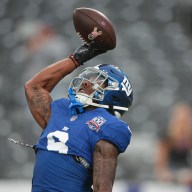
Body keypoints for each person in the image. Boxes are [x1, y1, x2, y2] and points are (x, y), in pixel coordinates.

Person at [25, 42, 133, 192]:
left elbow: (102, 188)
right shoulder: (62, 109)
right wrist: (76, 59)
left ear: (115, 93)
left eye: (98, 80)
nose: (86, 83)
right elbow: (34, 86)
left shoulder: (108, 125)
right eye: (88, 78)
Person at [154, 102, 192, 185]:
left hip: (186, 174)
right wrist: (168, 175)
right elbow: (161, 166)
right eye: (180, 121)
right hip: (171, 175)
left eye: (185, 121)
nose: (183, 124)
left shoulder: (189, 138)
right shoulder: (166, 138)